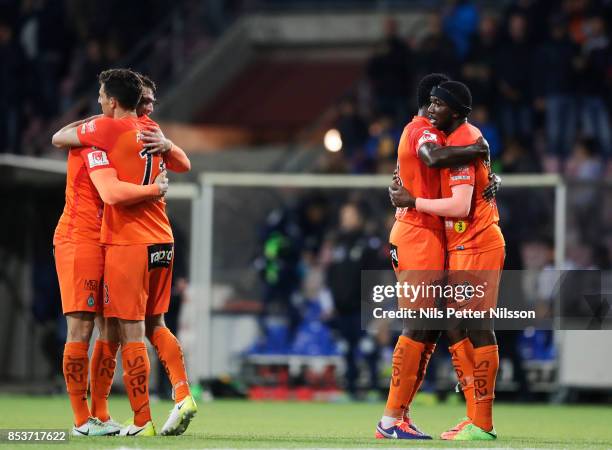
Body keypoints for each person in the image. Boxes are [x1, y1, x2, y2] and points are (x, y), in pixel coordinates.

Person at [52, 69, 195, 436]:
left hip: (115, 241)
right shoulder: (98, 136)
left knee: (112, 330)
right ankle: (84, 420)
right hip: (82, 237)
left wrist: (167, 145)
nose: (149, 108)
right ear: (125, 102)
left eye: (151, 102)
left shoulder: (141, 132)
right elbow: (108, 191)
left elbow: (181, 161)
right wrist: (155, 188)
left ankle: (102, 412)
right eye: (144, 101)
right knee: (83, 326)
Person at [376, 73, 498, 440]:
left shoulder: (446, 133)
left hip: (435, 236)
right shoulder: (423, 132)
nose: (434, 108)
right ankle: (391, 419)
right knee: (420, 325)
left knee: (436, 327)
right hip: (419, 234)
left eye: (440, 103)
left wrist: (489, 172)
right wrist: (480, 150)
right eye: (432, 101)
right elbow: (430, 158)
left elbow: (462, 187)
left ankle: (414, 417)